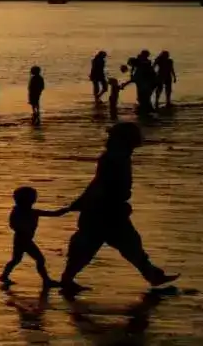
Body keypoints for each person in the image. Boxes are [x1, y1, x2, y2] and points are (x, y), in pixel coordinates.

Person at [58, 123, 178, 293]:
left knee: (119, 244)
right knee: (111, 244)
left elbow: (97, 183)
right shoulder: (114, 158)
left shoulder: (117, 156)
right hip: (106, 210)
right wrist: (83, 202)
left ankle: (153, 275)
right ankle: (152, 275)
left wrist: (81, 203)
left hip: (106, 209)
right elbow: (100, 184)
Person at [0, 186, 67, 286]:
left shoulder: (31, 212)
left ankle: (4, 276)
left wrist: (68, 208)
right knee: (39, 259)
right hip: (23, 239)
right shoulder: (21, 212)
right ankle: (46, 280)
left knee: (16, 259)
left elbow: (55, 214)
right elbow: (13, 224)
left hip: (21, 239)